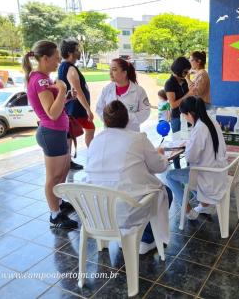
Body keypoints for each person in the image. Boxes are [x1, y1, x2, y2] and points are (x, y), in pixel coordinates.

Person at [86, 100, 172, 254]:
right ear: (127, 119)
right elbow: (159, 166)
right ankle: (145, 239)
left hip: (96, 210)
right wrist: (161, 155)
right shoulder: (137, 138)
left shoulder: (95, 142)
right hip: (126, 209)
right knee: (166, 192)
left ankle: (121, 237)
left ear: (105, 120)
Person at [22, 40, 77, 229]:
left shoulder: (43, 79)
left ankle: (59, 204)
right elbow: (52, 114)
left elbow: (54, 106)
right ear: (45, 58)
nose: (58, 63)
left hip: (58, 132)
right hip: (51, 133)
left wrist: (66, 95)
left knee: (62, 171)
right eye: (56, 59)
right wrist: (62, 89)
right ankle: (55, 215)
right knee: (53, 177)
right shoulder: (40, 80)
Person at [166, 96, 228, 220]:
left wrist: (188, 145)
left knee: (169, 176)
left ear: (189, 113)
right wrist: (191, 143)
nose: (184, 118)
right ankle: (205, 204)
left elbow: (190, 157)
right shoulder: (210, 120)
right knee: (188, 173)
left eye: (184, 115)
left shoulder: (200, 128)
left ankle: (188, 211)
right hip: (218, 171)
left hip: (208, 176)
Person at [58, 39, 95, 170]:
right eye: (77, 50)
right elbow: (77, 91)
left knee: (74, 134)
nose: (79, 52)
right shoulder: (70, 68)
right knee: (81, 131)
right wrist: (88, 110)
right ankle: (90, 156)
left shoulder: (64, 67)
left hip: (72, 108)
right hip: (76, 109)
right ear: (70, 53)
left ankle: (69, 161)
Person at [96, 58, 150, 132]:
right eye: (110, 69)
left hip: (131, 133)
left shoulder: (138, 91)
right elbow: (99, 109)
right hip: (111, 132)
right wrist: (110, 120)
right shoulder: (106, 89)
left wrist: (126, 118)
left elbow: (146, 111)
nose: (110, 73)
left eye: (114, 70)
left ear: (124, 73)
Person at [164, 57, 192, 168]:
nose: (187, 73)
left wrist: (189, 81)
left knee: (190, 143)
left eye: (188, 71)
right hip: (176, 117)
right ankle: (177, 168)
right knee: (177, 145)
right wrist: (188, 94)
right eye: (185, 71)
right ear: (179, 70)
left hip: (188, 116)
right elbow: (173, 104)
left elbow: (194, 92)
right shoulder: (170, 83)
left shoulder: (185, 82)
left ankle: (190, 168)